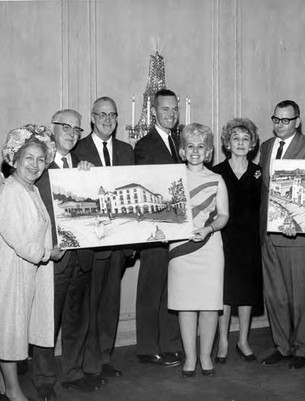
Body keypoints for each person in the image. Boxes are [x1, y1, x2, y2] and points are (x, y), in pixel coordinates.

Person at [0, 124, 65, 401]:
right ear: (14, 159)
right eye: (28, 158)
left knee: (18, 328)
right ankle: (14, 391)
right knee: (10, 331)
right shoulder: (12, 191)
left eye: (41, 159)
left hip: (29, 272)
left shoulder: (31, 190)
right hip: (12, 271)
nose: (35, 164)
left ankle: (2, 388)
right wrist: (47, 254)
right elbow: (17, 238)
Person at [31, 109, 100, 400]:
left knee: (77, 319)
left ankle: (73, 373)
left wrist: (90, 179)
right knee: (48, 320)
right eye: (66, 127)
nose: (72, 133)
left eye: (77, 129)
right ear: (53, 129)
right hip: (53, 257)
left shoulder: (85, 166)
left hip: (82, 256)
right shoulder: (39, 166)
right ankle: (44, 379)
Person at [73, 96, 134, 381]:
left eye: (112, 115)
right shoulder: (78, 150)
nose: (107, 120)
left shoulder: (126, 150)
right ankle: (90, 364)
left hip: (120, 243)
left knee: (110, 303)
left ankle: (106, 357)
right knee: (90, 306)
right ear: (92, 119)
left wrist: (132, 243)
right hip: (91, 244)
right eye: (102, 115)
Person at [259, 100, 305, 369]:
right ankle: (282, 346)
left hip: (295, 233)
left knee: (298, 294)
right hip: (268, 232)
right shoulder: (266, 147)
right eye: (276, 119)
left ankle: (301, 349)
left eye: (286, 120)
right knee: (275, 295)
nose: (280, 125)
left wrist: (294, 220)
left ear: (297, 121)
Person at [168, 123, 229, 377]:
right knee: (186, 304)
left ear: (209, 152)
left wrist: (208, 229)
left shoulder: (217, 179)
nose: (195, 151)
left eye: (200, 147)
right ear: (182, 151)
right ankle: (190, 357)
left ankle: (206, 356)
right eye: (190, 146)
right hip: (181, 249)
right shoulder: (171, 178)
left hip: (210, 247)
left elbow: (224, 216)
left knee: (208, 304)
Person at [133, 89, 183, 366]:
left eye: (174, 109)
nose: (171, 114)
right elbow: (148, 189)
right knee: (151, 288)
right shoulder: (145, 145)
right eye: (165, 109)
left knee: (170, 288)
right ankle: (146, 347)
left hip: (176, 229)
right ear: (154, 111)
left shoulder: (179, 142)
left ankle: (170, 343)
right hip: (155, 229)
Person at [212, 118, 263, 363]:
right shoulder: (217, 173)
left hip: (251, 241)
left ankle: (243, 340)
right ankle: (223, 341)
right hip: (224, 240)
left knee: (246, 293)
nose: (241, 143)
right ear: (227, 144)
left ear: (252, 144)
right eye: (236, 139)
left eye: (246, 139)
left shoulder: (259, 173)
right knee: (225, 293)